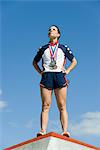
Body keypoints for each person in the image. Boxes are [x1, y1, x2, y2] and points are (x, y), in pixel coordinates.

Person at [33, 25, 77, 137]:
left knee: (62, 105)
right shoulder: (43, 48)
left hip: (59, 75)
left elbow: (74, 61)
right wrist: (40, 72)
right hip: (47, 76)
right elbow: (34, 62)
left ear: (58, 34)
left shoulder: (63, 48)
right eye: (49, 30)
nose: (50, 31)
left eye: (53, 29)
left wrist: (67, 71)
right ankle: (42, 131)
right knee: (45, 105)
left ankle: (65, 131)